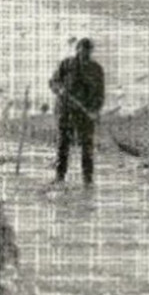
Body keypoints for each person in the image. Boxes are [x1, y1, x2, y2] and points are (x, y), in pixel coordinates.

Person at [49, 37, 105, 185]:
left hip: (85, 114)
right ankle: (59, 177)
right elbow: (53, 82)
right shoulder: (66, 64)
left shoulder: (96, 69)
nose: (84, 52)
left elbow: (100, 93)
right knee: (63, 144)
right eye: (81, 49)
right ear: (77, 49)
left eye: (87, 50)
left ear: (90, 52)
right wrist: (59, 89)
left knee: (87, 146)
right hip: (65, 111)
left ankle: (88, 179)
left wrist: (95, 110)